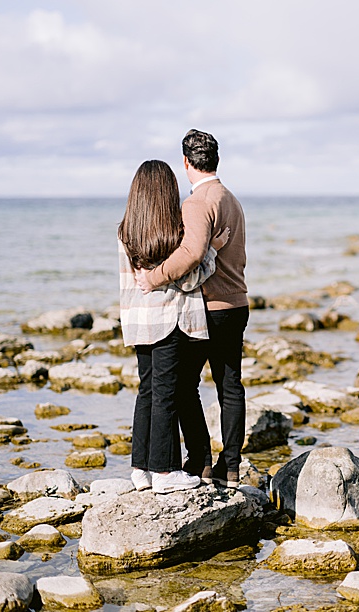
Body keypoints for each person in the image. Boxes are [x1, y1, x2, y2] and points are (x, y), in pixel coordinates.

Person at [136, 129, 249, 488]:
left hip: (208, 308)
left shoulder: (196, 202)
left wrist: (153, 278)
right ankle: (230, 467)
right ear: (216, 161)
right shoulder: (231, 198)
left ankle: (199, 460)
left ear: (186, 163)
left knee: (184, 386)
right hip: (237, 302)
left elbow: (192, 253)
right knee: (230, 387)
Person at [118, 160, 229, 495]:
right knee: (166, 394)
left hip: (139, 321)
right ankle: (165, 471)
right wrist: (212, 251)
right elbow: (188, 277)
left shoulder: (126, 231)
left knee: (147, 392)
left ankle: (141, 468)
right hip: (169, 321)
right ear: (166, 193)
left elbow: (136, 281)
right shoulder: (171, 233)